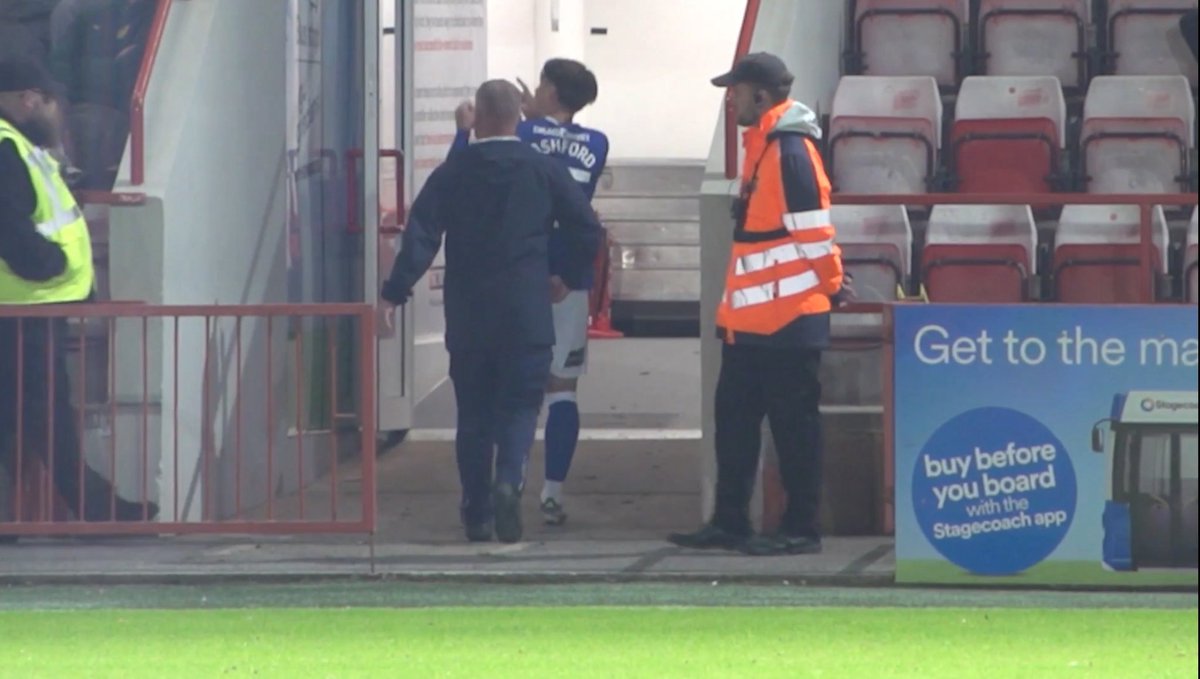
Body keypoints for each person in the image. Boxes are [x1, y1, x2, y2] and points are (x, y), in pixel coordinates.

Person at [380, 80, 602, 544]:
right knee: (521, 409)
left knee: (474, 415)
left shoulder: (454, 171)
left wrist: (392, 294)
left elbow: (421, 235)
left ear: (476, 118)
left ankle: (476, 512)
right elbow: (587, 226)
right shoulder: (542, 169)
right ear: (519, 118)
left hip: (470, 314)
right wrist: (564, 273)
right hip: (527, 311)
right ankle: (509, 483)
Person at [668, 53, 851, 557]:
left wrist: (833, 284)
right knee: (736, 426)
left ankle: (801, 529)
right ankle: (730, 522)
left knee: (794, 432)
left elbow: (814, 233)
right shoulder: (766, 147)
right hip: (752, 323)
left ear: (761, 96)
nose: (731, 99)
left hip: (788, 322)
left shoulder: (789, 150)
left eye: (737, 90)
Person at [449, 58, 609, 527]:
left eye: (540, 86)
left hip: (518, 277)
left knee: (511, 391)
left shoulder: (523, 136)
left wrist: (487, 125)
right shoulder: (597, 142)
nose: (532, 92)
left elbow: (468, 167)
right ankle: (553, 495)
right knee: (563, 388)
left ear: (554, 93)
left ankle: (509, 480)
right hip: (569, 279)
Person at [0, 58, 158, 528]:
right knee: (46, 419)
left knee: (26, 419)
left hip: (27, 306)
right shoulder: (7, 147)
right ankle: (96, 510)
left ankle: (76, 511)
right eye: (49, 101)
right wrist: (50, 266)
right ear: (30, 98)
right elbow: (9, 227)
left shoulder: (19, 147)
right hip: (24, 305)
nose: (54, 111)